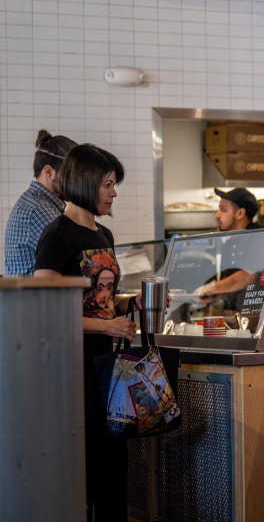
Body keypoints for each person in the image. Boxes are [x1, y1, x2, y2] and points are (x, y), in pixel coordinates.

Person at [33, 144, 138, 522]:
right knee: (86, 465)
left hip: (108, 365)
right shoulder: (57, 236)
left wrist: (130, 303)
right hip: (73, 368)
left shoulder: (104, 233)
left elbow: (100, 299)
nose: (114, 193)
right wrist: (106, 324)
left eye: (114, 185)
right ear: (85, 183)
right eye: (108, 184)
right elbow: (46, 311)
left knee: (114, 463)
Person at [3, 130, 77, 276]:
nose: (76, 183)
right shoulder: (38, 210)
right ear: (49, 172)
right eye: (71, 176)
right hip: (34, 299)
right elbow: (75, 259)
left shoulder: (37, 203)